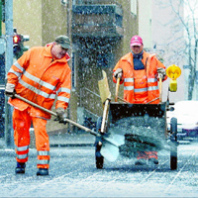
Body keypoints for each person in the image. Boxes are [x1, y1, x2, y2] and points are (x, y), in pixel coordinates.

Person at [5, 35, 71, 176]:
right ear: (54, 44)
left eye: (66, 50)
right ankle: (20, 163)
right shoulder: (35, 53)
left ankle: (43, 166)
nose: (63, 52)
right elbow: (16, 69)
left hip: (41, 106)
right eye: (62, 48)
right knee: (21, 133)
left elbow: (64, 92)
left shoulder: (65, 69)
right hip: (22, 100)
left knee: (40, 133)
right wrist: (10, 84)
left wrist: (60, 109)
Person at [113, 35, 167, 166]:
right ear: (131, 47)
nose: (136, 48)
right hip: (132, 102)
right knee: (136, 130)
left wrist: (162, 73)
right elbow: (116, 77)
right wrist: (117, 74)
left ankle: (152, 154)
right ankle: (140, 155)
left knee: (151, 129)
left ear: (142, 46)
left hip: (150, 101)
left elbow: (163, 73)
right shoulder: (124, 61)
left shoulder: (152, 59)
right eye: (134, 46)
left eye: (138, 46)